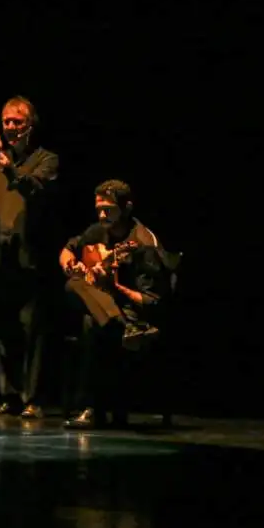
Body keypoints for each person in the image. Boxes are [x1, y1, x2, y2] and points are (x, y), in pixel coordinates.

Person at [0, 96, 59, 419]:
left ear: (30, 124)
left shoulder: (46, 160)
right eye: (6, 121)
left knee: (31, 331)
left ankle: (32, 398)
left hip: (29, 257)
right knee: (3, 329)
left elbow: (36, 190)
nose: (10, 127)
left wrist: (7, 167)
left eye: (17, 122)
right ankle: (9, 396)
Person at [59, 179, 171, 429]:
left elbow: (152, 302)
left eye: (108, 209)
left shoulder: (143, 244)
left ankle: (91, 409)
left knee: (91, 324)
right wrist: (70, 264)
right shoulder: (101, 229)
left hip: (137, 316)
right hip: (112, 310)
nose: (102, 215)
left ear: (127, 208)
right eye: (99, 208)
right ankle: (116, 323)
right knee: (74, 283)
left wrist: (115, 287)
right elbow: (69, 247)